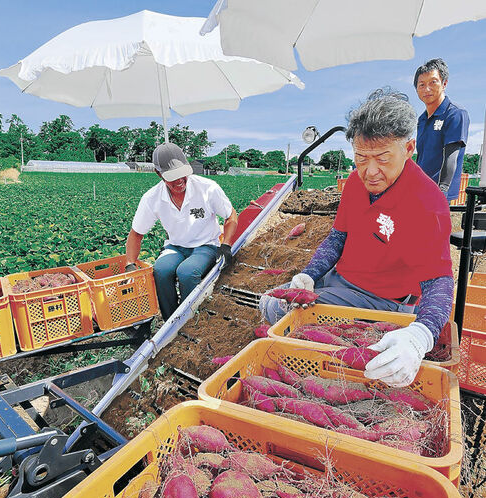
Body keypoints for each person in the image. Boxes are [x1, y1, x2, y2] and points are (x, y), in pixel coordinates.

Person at [260, 88, 454, 388]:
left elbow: (438, 280)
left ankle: (310, 372)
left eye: (382, 158)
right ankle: (302, 369)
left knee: (282, 312)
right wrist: (309, 274)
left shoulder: (427, 203)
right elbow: (338, 237)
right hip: (339, 281)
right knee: (270, 302)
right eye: (361, 158)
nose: (370, 171)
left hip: (382, 300)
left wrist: (421, 334)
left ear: (409, 148)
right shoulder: (354, 182)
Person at [125, 143, 238, 321]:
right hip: (176, 246)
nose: (179, 181)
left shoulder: (208, 188)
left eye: (182, 174)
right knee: (161, 270)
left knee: (187, 272)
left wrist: (226, 245)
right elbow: (136, 234)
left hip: (205, 245)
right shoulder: (152, 198)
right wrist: (130, 263)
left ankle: (190, 320)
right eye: (172, 177)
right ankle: (170, 321)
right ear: (158, 174)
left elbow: (230, 215)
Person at [414, 58, 470, 202]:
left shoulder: (455, 113)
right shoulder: (422, 119)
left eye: (433, 82)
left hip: (438, 194)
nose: (427, 89)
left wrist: (442, 191)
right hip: (421, 189)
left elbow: (452, 156)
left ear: (444, 83)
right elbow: (421, 157)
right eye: (422, 84)